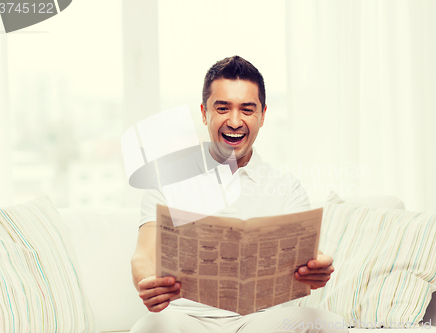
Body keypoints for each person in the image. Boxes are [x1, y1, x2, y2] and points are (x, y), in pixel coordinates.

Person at [130, 56, 347, 333]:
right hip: (186, 320)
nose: (235, 121)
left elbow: (308, 255)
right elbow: (143, 255)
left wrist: (318, 267)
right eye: (222, 108)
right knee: (149, 328)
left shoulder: (285, 187)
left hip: (261, 321)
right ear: (204, 112)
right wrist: (148, 281)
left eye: (247, 109)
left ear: (262, 115)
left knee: (327, 324)